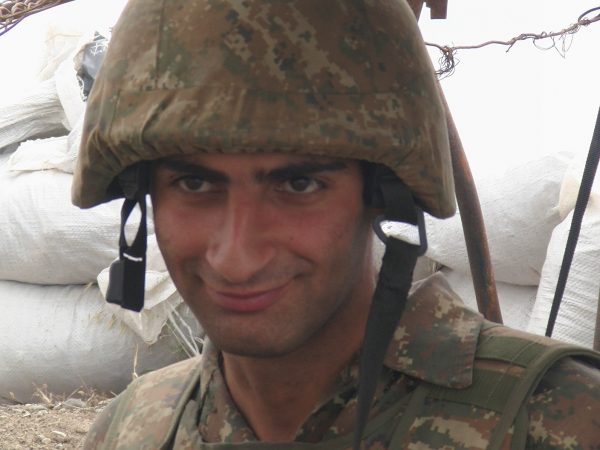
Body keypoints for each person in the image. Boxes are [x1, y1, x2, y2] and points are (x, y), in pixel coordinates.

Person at [72, 0, 600, 448]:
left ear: (383, 195)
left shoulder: (559, 417)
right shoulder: (133, 428)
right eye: (194, 184)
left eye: (298, 185)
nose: (237, 258)